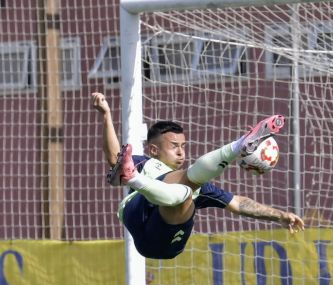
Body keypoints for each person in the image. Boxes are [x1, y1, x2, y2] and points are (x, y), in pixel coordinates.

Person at [91, 92, 304, 260]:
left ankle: (241, 145)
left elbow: (238, 203)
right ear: (154, 150)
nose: (181, 152)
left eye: (183, 146)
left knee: (186, 191)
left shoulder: (200, 186)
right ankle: (238, 146)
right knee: (187, 189)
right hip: (135, 214)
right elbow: (114, 158)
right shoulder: (144, 162)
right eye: (174, 146)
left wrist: (280, 215)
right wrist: (106, 115)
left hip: (166, 239)